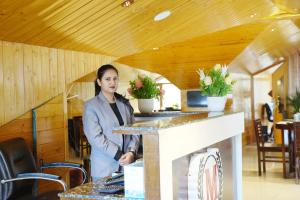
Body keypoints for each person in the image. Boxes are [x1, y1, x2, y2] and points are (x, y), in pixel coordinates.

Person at [83, 64, 140, 181]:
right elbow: (95, 137)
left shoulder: (124, 104)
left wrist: (132, 152)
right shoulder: (91, 106)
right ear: (99, 82)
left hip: (127, 166)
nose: (112, 82)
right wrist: (118, 155)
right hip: (104, 168)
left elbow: (135, 130)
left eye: (115, 78)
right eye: (107, 79)